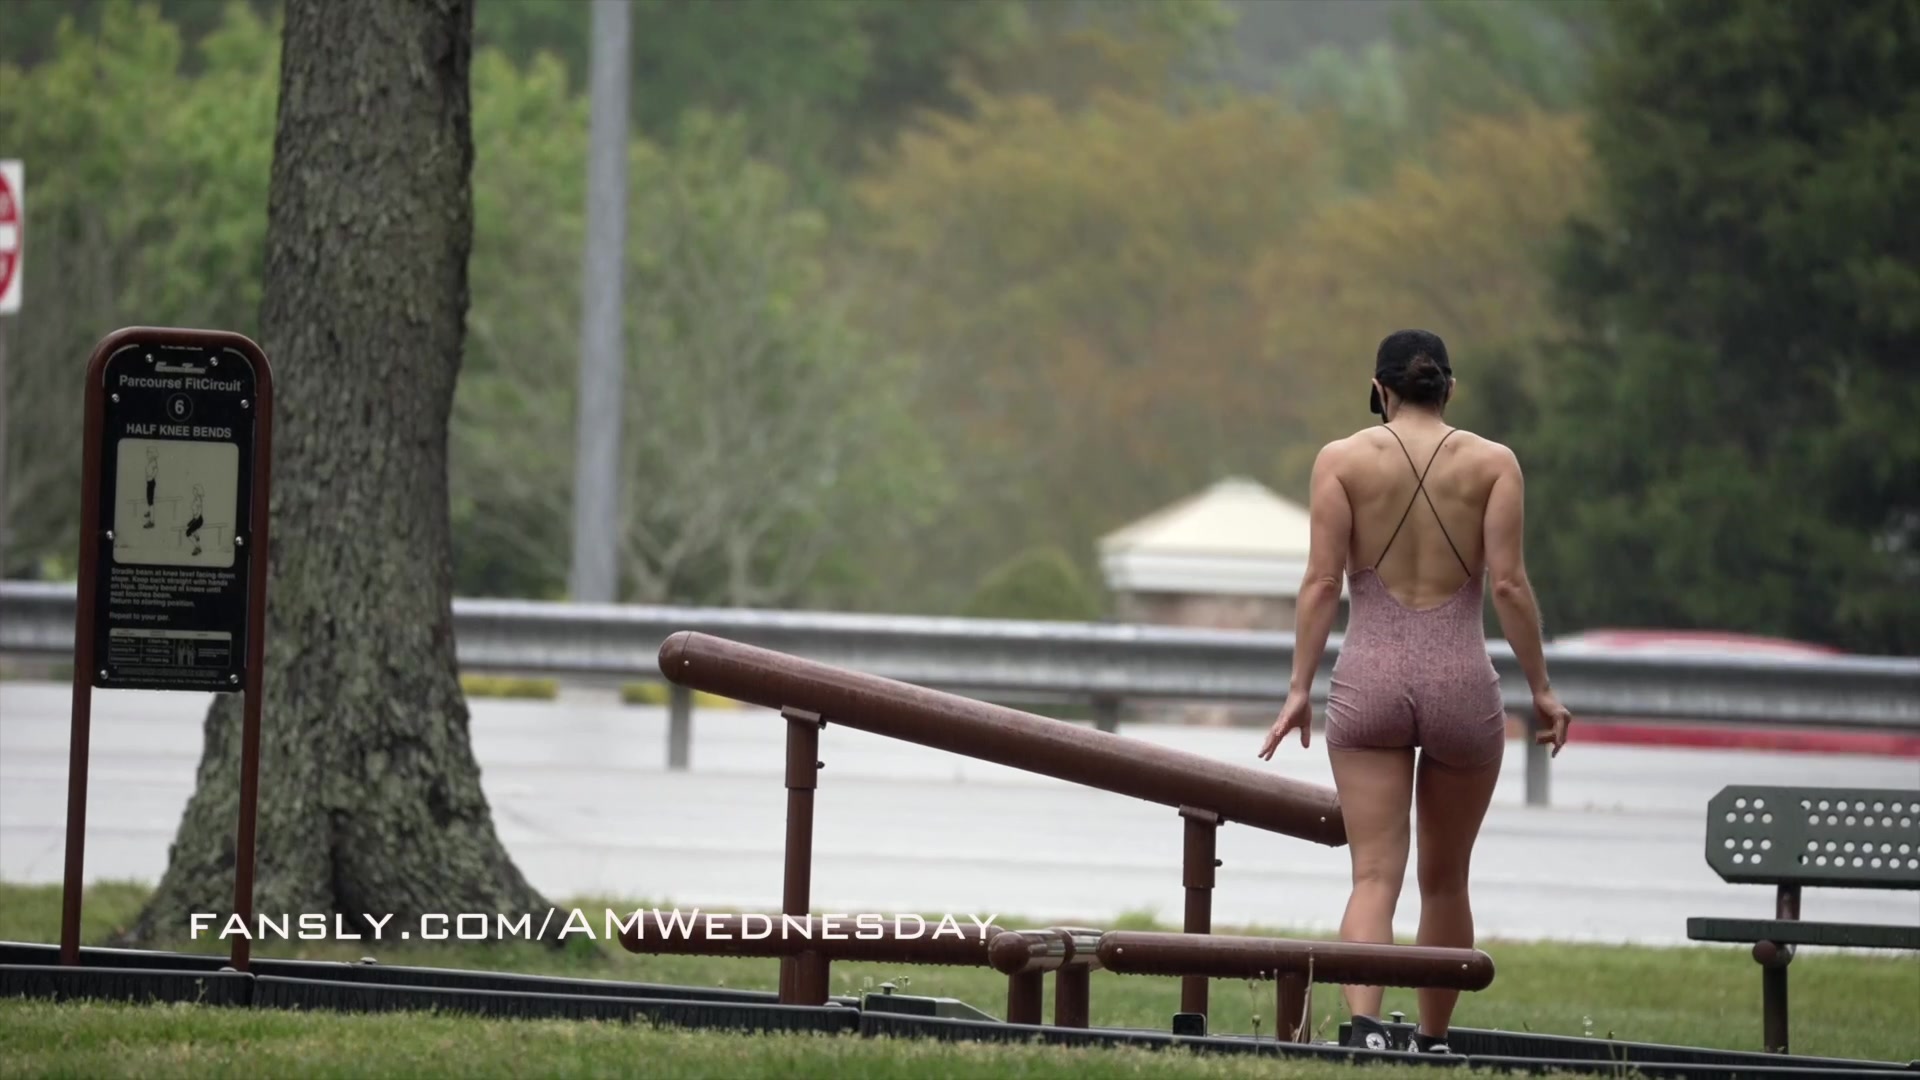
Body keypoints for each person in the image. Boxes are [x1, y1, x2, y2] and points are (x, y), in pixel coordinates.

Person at [1258, 329, 1572, 1054]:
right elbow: (1510, 586)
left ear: (1379, 390)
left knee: (1373, 874)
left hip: (1368, 681)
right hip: (1462, 682)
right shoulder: (1496, 464)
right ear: (1449, 390)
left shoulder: (1340, 460)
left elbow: (1320, 583)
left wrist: (1299, 687)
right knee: (1446, 883)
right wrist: (1544, 691)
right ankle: (1433, 1041)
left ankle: (1364, 1030)